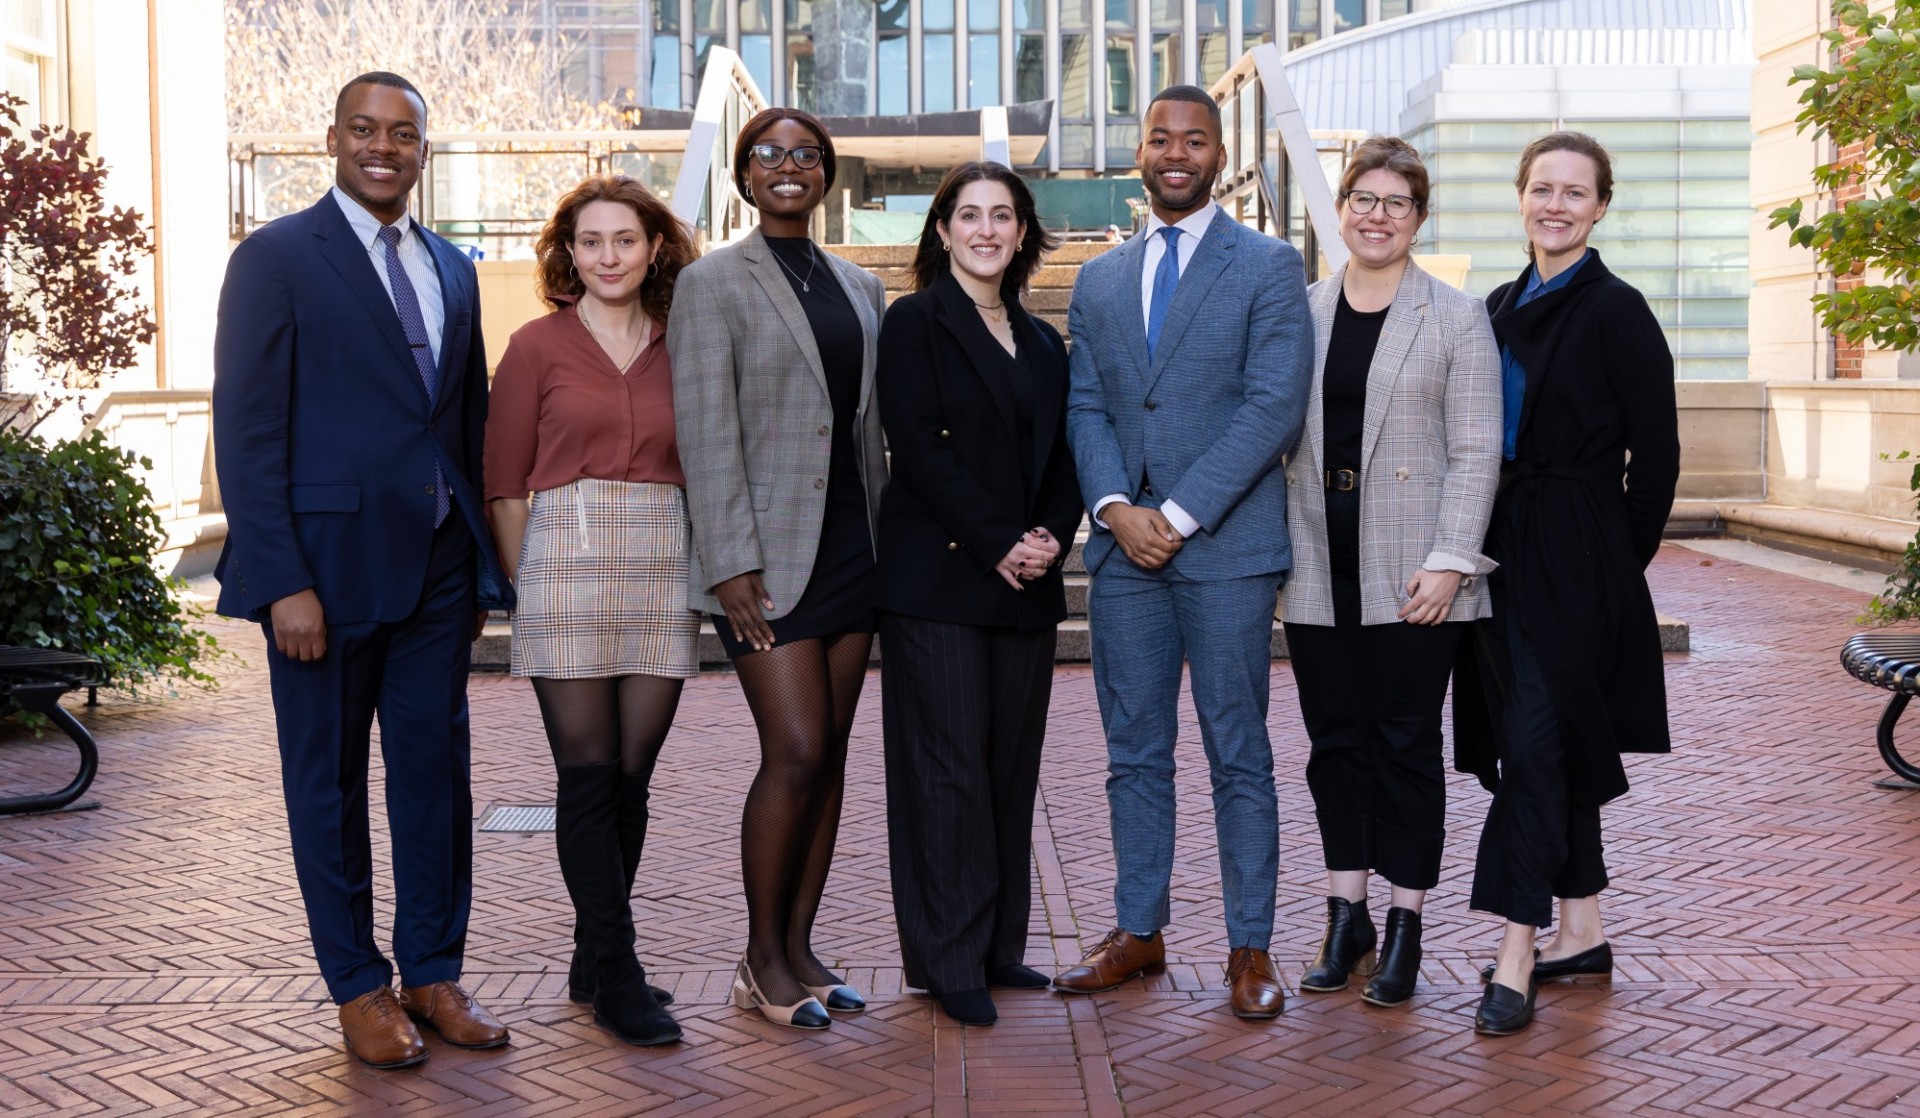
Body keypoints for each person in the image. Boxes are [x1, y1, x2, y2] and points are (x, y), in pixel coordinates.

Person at [211, 72, 512, 1069]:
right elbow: (247, 432)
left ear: (425, 148)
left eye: (404, 134)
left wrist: (475, 569)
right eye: (365, 130)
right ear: (332, 138)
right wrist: (279, 576)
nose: (384, 147)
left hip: (435, 570)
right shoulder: (276, 258)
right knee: (328, 786)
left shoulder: (453, 267)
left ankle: (432, 969)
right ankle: (356, 983)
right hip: (322, 579)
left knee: (434, 779)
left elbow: (460, 424)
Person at [1056, 85, 1313, 1019]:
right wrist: (1117, 507)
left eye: (1193, 140)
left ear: (1218, 154)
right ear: (1140, 153)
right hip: (1124, 556)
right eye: (1159, 138)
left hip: (1228, 551)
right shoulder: (1100, 280)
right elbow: (1085, 404)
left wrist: (1184, 511)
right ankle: (1140, 931)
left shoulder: (1268, 266)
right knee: (1135, 752)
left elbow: (1273, 405)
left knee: (1239, 752)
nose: (1176, 153)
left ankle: (1251, 948)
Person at [666, 108, 888, 1032]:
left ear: (826, 173)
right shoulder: (711, 284)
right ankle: (760, 959)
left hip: (854, 546)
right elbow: (704, 430)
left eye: (804, 155)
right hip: (764, 562)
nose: (787, 167)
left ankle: (802, 948)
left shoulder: (862, 285)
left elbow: (873, 426)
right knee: (793, 750)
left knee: (829, 756)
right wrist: (729, 563)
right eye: (769, 155)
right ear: (745, 177)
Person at [1454, 131, 1679, 1035]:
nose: (1556, 204)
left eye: (1574, 192)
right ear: (1521, 198)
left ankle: (1518, 947)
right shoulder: (1497, 306)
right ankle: (1580, 929)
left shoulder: (1617, 310)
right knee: (1536, 740)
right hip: (1500, 553)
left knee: (1540, 742)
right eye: (1541, 188)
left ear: (1600, 207)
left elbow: (1657, 460)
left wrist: (1613, 566)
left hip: (1579, 560)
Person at [1279, 136, 1501, 1008]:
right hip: (1314, 566)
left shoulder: (1456, 317)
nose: (1377, 216)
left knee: (1407, 747)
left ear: (1418, 216)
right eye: (1363, 200)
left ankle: (1406, 922)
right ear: (1340, 210)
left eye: (1395, 203)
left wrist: (1451, 562)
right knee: (1335, 747)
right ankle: (1348, 912)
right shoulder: (1299, 313)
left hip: (1417, 575)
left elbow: (1478, 452)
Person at [483, 175, 699, 1047]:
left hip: (661, 557)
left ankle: (589, 952)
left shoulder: (685, 342)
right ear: (568, 253)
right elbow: (504, 483)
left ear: (653, 249)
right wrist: (525, 582)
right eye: (591, 240)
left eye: (625, 239)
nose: (608, 255)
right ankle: (619, 970)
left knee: (632, 777)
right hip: (563, 561)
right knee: (587, 773)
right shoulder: (535, 346)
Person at [873, 161, 1084, 1027]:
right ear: (943, 231)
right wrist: (998, 542)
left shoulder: (1042, 343)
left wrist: (1048, 540)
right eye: (970, 215)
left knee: (1007, 770)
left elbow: (1066, 455)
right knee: (948, 773)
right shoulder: (914, 323)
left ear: (1024, 231)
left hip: (1024, 586)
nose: (987, 230)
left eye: (1003, 215)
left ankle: (999, 947)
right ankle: (948, 958)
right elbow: (918, 446)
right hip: (940, 584)